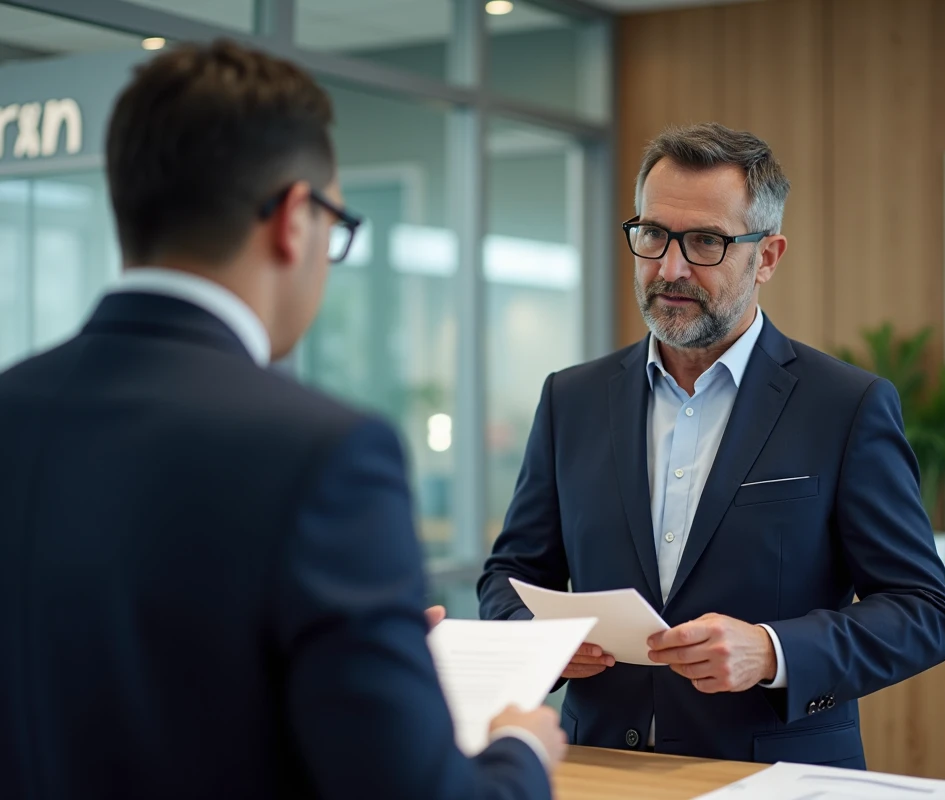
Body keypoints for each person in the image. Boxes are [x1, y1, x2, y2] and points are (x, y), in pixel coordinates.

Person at [0, 40, 563, 800]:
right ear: (295, 219)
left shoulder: (15, 406)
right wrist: (519, 753)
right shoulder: (327, 453)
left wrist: (362, 652)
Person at [478, 122, 945, 767]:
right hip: (599, 770)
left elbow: (923, 611)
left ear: (766, 257)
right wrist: (535, 640)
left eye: (705, 241)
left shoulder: (846, 406)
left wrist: (773, 650)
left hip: (774, 776)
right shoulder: (572, 399)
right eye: (652, 235)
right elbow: (510, 577)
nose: (670, 268)